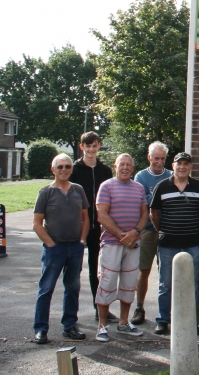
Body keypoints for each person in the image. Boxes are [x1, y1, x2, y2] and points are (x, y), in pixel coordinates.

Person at [32, 154, 90, 344]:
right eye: (60, 167)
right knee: (46, 288)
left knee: (72, 288)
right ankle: (41, 329)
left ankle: (70, 326)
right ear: (53, 169)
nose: (63, 170)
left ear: (71, 169)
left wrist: (82, 240)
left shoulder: (78, 190)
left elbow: (86, 218)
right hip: (54, 248)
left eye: (67, 166)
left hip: (74, 247)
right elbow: (37, 224)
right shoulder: (45, 192)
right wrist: (50, 243)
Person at [150, 152, 199, 336]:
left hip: (192, 242)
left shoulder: (198, 186)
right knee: (165, 284)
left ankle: (190, 321)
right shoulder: (162, 186)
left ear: (190, 167)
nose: (182, 167)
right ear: (173, 166)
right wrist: (165, 230)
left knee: (192, 284)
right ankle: (163, 320)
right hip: (168, 242)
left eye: (186, 164)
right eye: (179, 164)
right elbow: (154, 214)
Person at [94, 153, 149, 342]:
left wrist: (134, 232)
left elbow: (145, 214)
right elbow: (102, 215)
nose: (125, 168)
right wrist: (121, 235)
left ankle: (124, 323)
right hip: (111, 243)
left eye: (128, 165)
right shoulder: (106, 186)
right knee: (107, 283)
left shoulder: (139, 188)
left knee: (128, 285)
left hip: (133, 244)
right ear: (115, 166)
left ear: (133, 168)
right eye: (121, 164)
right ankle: (102, 325)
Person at [69, 131, 117, 322]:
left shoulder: (105, 171)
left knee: (98, 270)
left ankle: (100, 309)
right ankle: (71, 313)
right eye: (87, 146)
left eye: (94, 145)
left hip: (99, 227)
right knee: (73, 270)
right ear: (82, 147)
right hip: (79, 226)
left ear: (98, 146)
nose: (91, 149)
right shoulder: (74, 169)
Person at [131, 141, 173, 325]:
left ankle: (167, 311)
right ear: (149, 157)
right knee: (144, 270)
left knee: (167, 272)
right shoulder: (141, 176)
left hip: (168, 229)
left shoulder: (171, 176)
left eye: (162, 159)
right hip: (148, 229)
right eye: (156, 158)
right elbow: (144, 202)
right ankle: (139, 307)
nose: (159, 162)